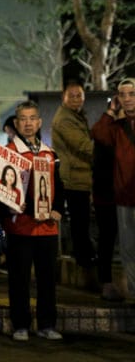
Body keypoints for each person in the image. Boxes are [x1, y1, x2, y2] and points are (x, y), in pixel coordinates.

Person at [0, 100, 65, 342]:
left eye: (33, 118)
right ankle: (20, 324)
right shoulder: (8, 153)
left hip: (46, 228)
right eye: (23, 119)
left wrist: (57, 209)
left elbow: (60, 187)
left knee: (47, 279)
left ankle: (46, 324)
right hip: (20, 227)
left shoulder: (50, 153)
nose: (28, 123)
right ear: (16, 123)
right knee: (19, 279)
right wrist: (9, 206)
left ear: (40, 122)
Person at [91, 78, 135, 304]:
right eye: (122, 95)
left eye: (131, 94)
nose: (127, 99)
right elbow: (98, 133)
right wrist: (110, 110)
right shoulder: (117, 128)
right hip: (124, 197)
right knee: (128, 249)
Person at [51, 80, 96, 285]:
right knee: (79, 221)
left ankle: (84, 257)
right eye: (72, 95)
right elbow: (84, 146)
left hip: (79, 176)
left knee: (81, 221)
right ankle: (84, 261)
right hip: (72, 178)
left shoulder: (76, 116)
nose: (77, 98)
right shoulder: (65, 119)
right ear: (64, 97)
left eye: (79, 95)